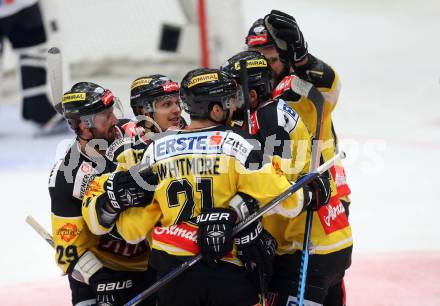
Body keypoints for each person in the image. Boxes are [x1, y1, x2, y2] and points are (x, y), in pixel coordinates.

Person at [82, 68, 331, 306]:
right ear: (215, 108)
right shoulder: (236, 144)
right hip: (227, 270)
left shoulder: (156, 151)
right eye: (228, 101)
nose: (233, 106)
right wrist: (310, 194)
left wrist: (115, 204)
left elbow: (132, 230)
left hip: (172, 272)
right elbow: (280, 198)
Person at [245, 11, 353, 306]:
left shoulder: (299, 92)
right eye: (256, 58)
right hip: (314, 232)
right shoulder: (252, 97)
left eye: (269, 58)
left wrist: (304, 57)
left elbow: (329, 85)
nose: (263, 67)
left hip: (309, 233)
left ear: (288, 59)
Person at [49, 82, 156, 306]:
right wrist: (98, 277)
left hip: (153, 261)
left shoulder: (138, 134)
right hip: (105, 270)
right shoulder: (68, 175)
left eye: (112, 111)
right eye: (106, 116)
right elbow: (68, 251)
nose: (115, 120)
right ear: (85, 127)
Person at [0, 0, 57, 128]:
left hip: (23, 7)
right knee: (32, 50)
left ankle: (37, 106)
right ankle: (37, 107)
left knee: (33, 50)